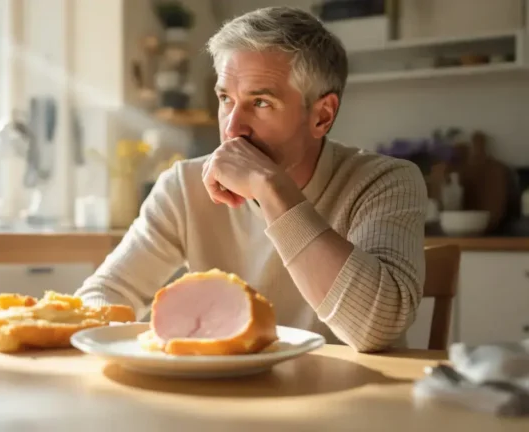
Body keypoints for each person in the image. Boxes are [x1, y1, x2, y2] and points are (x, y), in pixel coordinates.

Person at [75, 6, 427, 352]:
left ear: (322, 116)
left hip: (348, 401)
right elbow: (99, 297)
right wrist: (141, 346)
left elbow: (376, 328)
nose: (232, 128)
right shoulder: (184, 186)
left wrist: (271, 189)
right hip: (218, 396)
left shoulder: (385, 182)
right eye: (226, 98)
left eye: (260, 103)